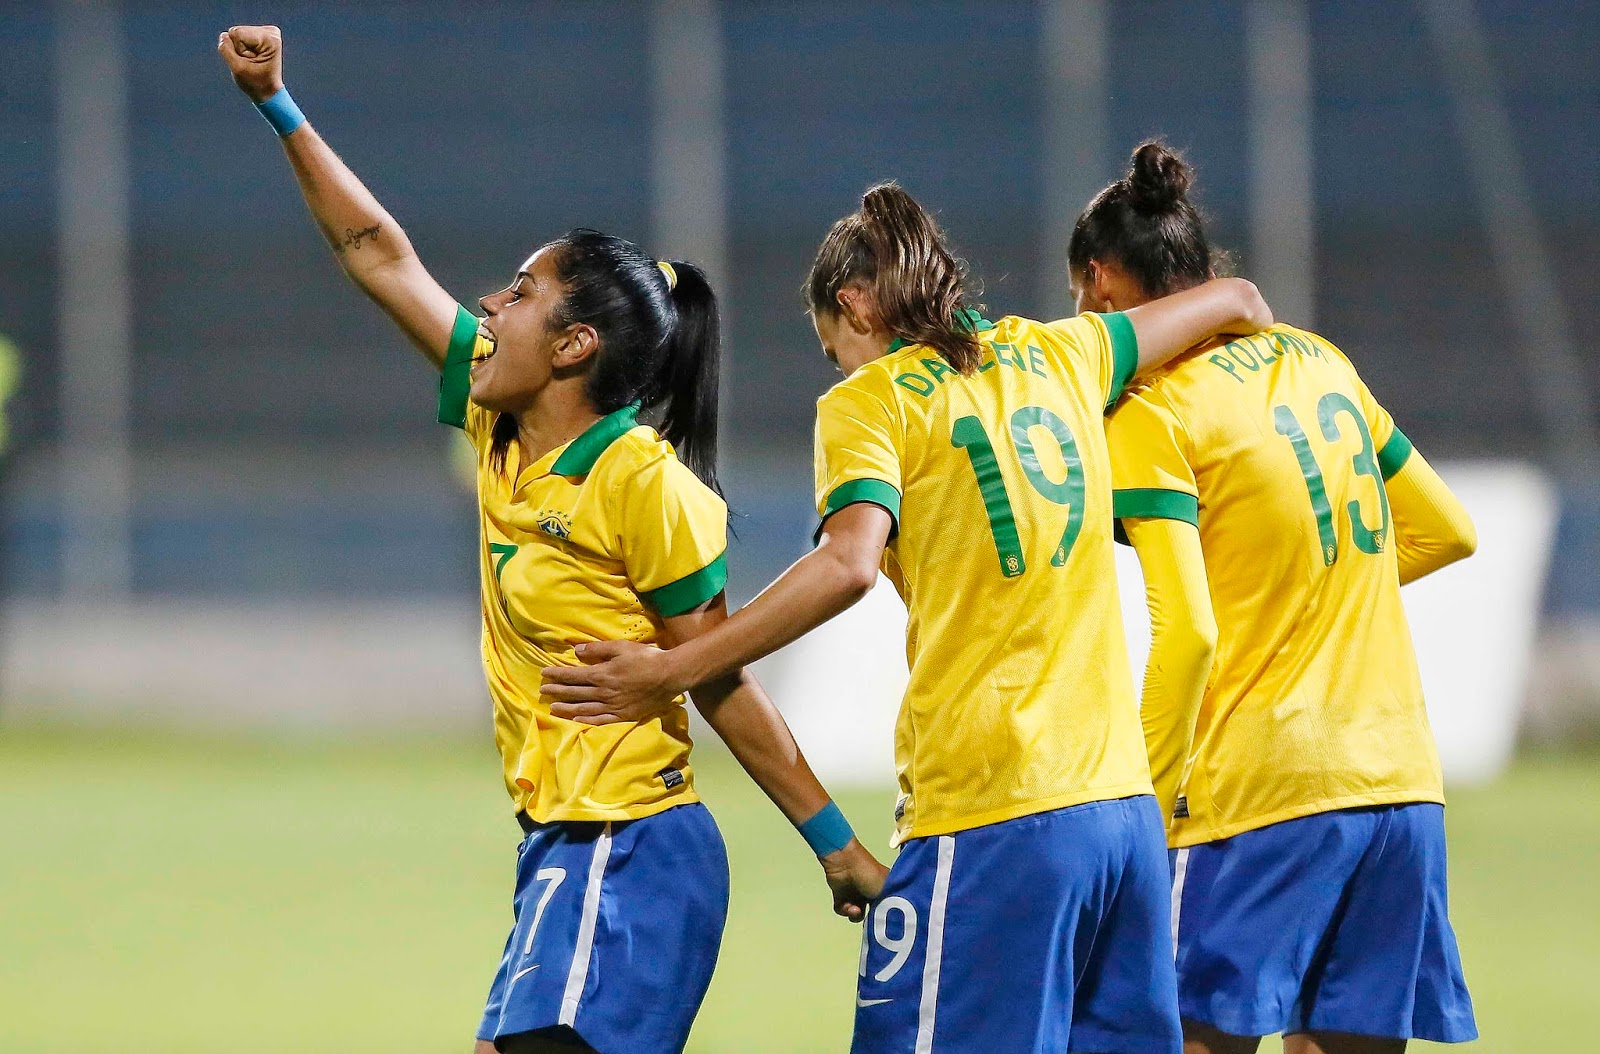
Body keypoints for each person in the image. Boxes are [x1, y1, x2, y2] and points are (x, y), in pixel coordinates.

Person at [217, 25, 887, 1054]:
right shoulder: (497, 421)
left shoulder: (643, 485)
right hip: (565, 854)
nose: (491, 303)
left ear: (574, 346)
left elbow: (715, 675)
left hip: (627, 857)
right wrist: (279, 105)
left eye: (520, 295)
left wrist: (832, 841)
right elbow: (377, 254)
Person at [542, 181, 1273, 1052]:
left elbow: (847, 564)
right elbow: (1239, 301)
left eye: (832, 349)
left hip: (992, 811)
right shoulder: (1061, 352)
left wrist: (672, 667)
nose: (839, 370)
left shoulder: (874, 401)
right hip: (1121, 822)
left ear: (854, 305)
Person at [1076, 141, 1478, 1054]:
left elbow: (1188, 640)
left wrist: (1133, 801)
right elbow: (1447, 528)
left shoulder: (1155, 407)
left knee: (1177, 1036)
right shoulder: (1319, 360)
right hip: (1401, 782)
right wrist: (1309, 592)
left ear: (1100, 282)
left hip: (1259, 790)